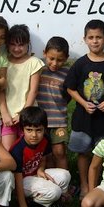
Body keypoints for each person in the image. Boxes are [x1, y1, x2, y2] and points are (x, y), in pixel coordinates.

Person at [64, 19, 104, 199]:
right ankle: (84, 184)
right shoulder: (80, 63)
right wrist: (83, 103)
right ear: (85, 39)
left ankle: (98, 185)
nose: (95, 41)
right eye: (91, 37)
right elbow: (70, 87)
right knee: (83, 153)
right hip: (83, 118)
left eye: (98, 37)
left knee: (102, 153)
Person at [9, 106, 72, 207]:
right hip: (20, 182)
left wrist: (41, 169)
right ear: (22, 130)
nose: (34, 135)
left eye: (38, 130)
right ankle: (26, 204)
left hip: (35, 174)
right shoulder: (17, 149)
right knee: (54, 191)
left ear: (44, 129)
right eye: (29, 130)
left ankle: (58, 202)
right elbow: (17, 180)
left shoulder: (45, 140)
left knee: (65, 175)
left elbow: (43, 157)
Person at [0, 24, 44, 149]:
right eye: (13, 44)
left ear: (28, 44)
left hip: (29, 116)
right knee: (7, 152)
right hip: (8, 116)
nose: (17, 48)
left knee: (29, 152)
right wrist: (4, 113)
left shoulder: (34, 62)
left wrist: (22, 114)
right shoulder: (4, 62)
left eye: (21, 45)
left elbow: (33, 91)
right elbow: (0, 90)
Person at [36, 36, 71, 169]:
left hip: (58, 120)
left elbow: (69, 95)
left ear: (66, 58)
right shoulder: (38, 69)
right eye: (51, 58)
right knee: (46, 154)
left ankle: (65, 185)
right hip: (40, 120)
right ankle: (50, 184)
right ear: (44, 53)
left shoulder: (67, 73)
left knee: (59, 151)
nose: (55, 63)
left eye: (60, 60)